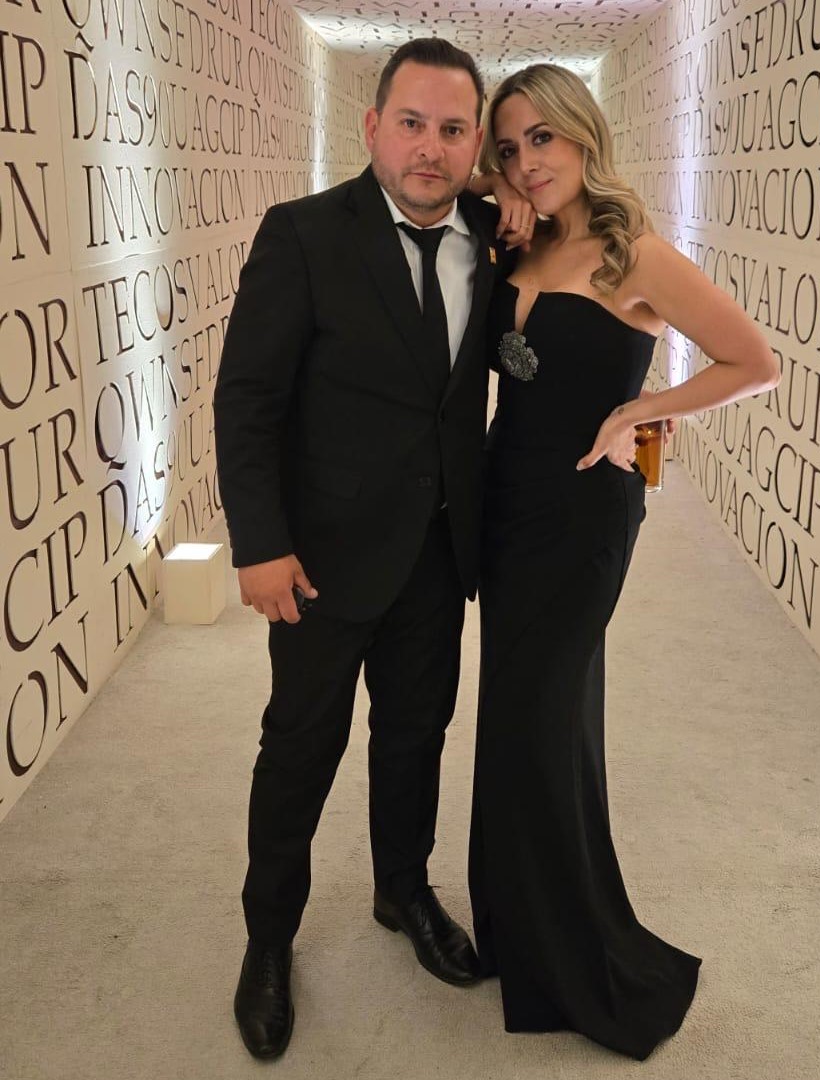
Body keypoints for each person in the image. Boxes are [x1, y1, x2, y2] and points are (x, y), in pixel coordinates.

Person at [213, 38, 530, 1060]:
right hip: (321, 557)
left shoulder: (496, 237)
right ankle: (270, 938)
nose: (430, 148)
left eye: (452, 129)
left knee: (415, 735)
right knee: (300, 747)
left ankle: (404, 893)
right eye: (411, 123)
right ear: (372, 126)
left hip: (439, 553)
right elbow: (247, 400)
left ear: (474, 145)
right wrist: (259, 545)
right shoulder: (303, 234)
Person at [468, 63, 781, 1060]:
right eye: (510, 146)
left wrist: (646, 410)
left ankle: (579, 958)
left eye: (542, 138)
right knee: (518, 717)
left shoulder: (631, 251)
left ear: (582, 133)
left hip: (583, 513)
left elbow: (754, 362)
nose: (527, 160)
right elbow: (441, 185)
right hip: (506, 505)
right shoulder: (517, 240)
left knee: (541, 717)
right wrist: (497, 194)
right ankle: (518, 929)